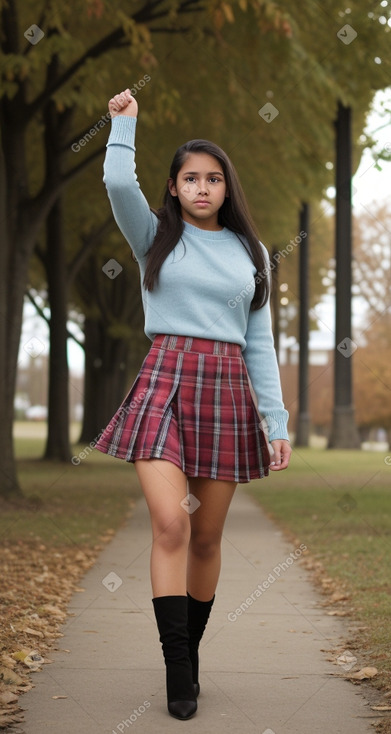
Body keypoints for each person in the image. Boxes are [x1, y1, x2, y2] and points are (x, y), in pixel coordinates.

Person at [95, 88, 292, 721]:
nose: (202, 188)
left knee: (206, 538)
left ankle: (191, 653)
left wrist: (276, 422)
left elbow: (259, 344)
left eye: (212, 179)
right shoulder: (153, 235)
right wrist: (123, 126)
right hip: (164, 381)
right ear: (175, 188)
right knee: (172, 524)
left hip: (228, 388)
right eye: (190, 179)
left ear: (226, 188)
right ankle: (178, 671)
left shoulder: (252, 255)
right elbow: (119, 186)